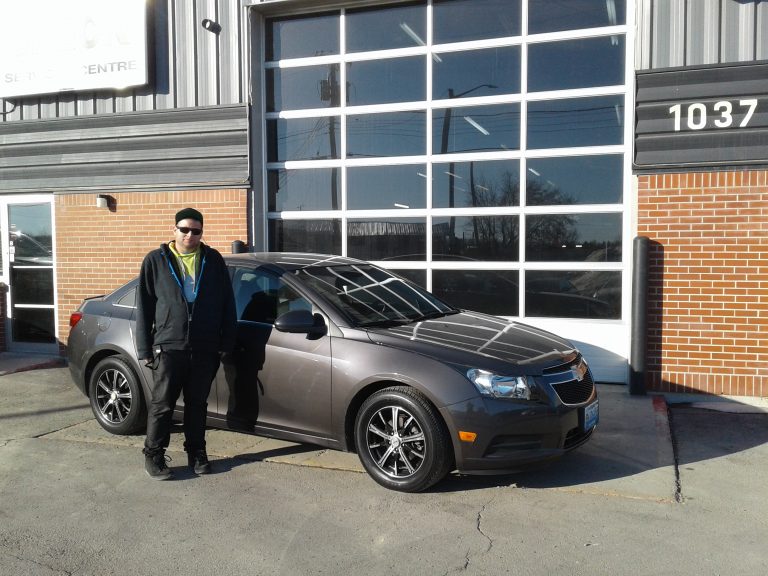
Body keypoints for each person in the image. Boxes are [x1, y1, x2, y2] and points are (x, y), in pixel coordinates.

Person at [136, 208, 237, 480]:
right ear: (174, 230)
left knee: (197, 404)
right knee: (162, 405)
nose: (190, 235)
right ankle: (154, 455)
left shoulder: (213, 260)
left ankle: (197, 453)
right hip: (168, 346)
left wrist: (225, 341)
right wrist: (145, 349)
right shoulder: (156, 260)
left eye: (196, 230)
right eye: (185, 229)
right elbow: (144, 307)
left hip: (204, 347)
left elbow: (228, 303)